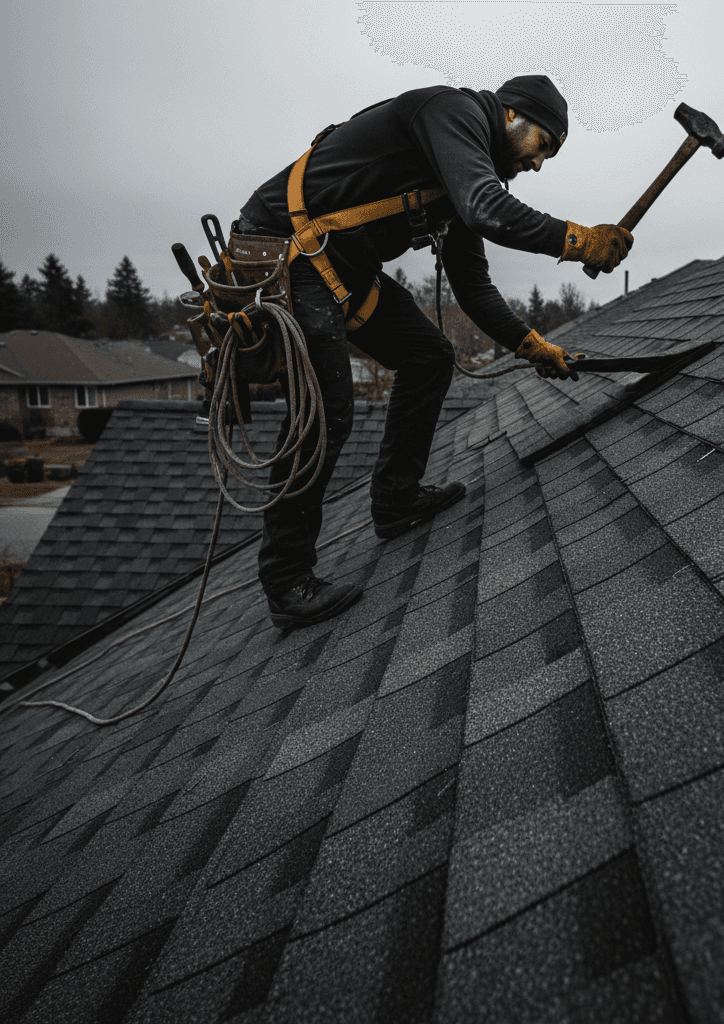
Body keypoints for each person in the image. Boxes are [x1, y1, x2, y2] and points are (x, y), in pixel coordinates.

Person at [232, 74, 633, 628]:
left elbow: (473, 286)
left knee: (429, 356)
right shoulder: (452, 112)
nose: (539, 165)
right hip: (286, 250)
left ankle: (396, 501)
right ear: (513, 115)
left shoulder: (461, 178)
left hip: (339, 268)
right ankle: (287, 581)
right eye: (544, 146)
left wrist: (532, 346)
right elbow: (486, 209)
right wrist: (579, 239)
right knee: (324, 412)